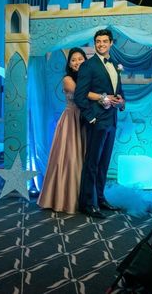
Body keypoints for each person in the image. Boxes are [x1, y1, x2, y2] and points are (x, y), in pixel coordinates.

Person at [37, 47, 99, 214]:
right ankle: (63, 199)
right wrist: (103, 96)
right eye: (73, 60)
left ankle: (83, 198)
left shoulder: (89, 77)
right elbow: (82, 93)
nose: (77, 62)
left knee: (83, 158)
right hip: (71, 120)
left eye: (80, 59)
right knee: (69, 158)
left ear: (85, 61)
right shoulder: (67, 79)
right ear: (69, 64)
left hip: (86, 120)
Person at [74, 29, 125, 219]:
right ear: (95, 43)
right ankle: (87, 203)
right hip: (97, 121)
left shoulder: (114, 65)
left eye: (105, 41)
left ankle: (101, 199)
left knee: (104, 163)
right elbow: (80, 95)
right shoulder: (88, 65)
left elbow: (119, 91)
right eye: (98, 41)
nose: (101, 44)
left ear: (111, 43)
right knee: (92, 163)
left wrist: (122, 103)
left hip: (111, 120)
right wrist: (91, 117)